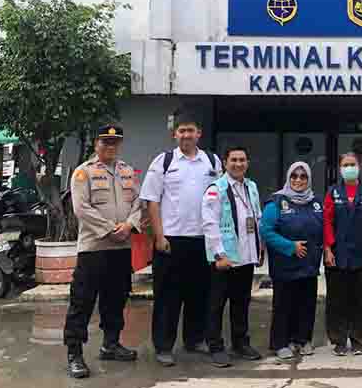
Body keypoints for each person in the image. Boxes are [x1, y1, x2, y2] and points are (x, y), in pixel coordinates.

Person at [139, 113, 222, 366]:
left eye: (191, 130)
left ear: (199, 134)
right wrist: (158, 236)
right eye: (182, 131)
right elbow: (152, 201)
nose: (186, 135)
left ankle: (194, 339)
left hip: (202, 239)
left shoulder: (212, 161)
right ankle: (164, 346)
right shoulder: (163, 162)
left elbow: (219, 199)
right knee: (168, 296)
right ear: (174, 134)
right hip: (171, 240)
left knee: (200, 293)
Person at [63, 125, 142, 379]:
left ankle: (111, 344)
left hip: (121, 248)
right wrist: (110, 229)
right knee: (82, 301)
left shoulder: (128, 171)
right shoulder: (83, 172)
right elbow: (81, 209)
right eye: (105, 141)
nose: (110, 146)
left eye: (114, 142)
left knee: (116, 298)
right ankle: (75, 353)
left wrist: (129, 225)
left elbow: (139, 203)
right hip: (94, 248)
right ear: (96, 143)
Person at [201, 146, 264, 368]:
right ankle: (215, 346)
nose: (238, 164)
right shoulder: (216, 189)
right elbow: (209, 223)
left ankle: (240, 343)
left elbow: (257, 217)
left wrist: (259, 248)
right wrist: (219, 254)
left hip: (245, 256)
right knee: (216, 303)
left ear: (247, 163)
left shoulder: (251, 187)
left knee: (241, 302)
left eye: (242, 160)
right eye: (234, 160)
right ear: (225, 163)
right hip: (224, 259)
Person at [261, 162, 324, 361]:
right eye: (294, 176)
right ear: (288, 178)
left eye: (303, 176)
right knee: (284, 305)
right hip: (285, 265)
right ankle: (280, 343)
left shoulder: (316, 202)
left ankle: (302, 340)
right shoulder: (276, 202)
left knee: (306, 305)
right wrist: (290, 246)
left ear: (309, 179)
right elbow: (266, 231)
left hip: (309, 265)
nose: (298, 180)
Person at [323, 153, 362, 356]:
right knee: (337, 300)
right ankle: (338, 340)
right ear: (340, 168)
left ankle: (357, 340)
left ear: (359, 166)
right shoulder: (333, 192)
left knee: (360, 300)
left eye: (352, 164)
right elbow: (327, 221)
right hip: (337, 255)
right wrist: (327, 249)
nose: (349, 168)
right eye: (345, 165)